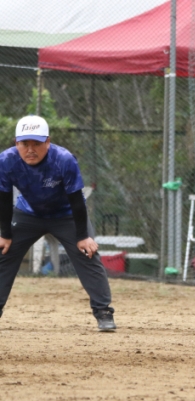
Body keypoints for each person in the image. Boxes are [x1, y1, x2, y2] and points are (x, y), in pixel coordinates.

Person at [0, 115, 116, 331]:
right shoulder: (6, 160)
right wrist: (5, 234)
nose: (30, 149)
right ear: (16, 143)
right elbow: (4, 199)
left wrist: (83, 236)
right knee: (3, 252)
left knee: (88, 253)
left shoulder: (64, 159)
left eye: (37, 143)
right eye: (24, 144)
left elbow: (77, 200)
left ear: (48, 142)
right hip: (28, 214)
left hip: (66, 215)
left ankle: (103, 311)